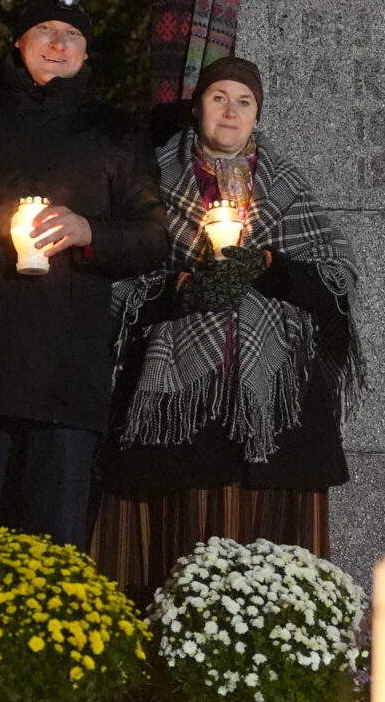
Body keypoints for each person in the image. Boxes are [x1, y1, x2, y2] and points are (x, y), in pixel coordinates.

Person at [94, 58, 362, 600]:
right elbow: (118, 285)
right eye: (219, 97)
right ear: (197, 108)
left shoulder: (285, 185)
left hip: (276, 409)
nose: (231, 110)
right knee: (181, 560)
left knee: (271, 573)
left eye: (243, 100)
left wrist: (268, 264)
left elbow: (337, 279)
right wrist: (182, 291)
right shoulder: (154, 180)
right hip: (180, 404)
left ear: (257, 113)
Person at [0, 0, 166, 544]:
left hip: (64, 380)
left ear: (86, 54)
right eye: (45, 31)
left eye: (73, 35)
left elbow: (154, 238)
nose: (58, 44)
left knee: (50, 562)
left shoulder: (114, 133)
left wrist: (89, 233)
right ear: (19, 41)